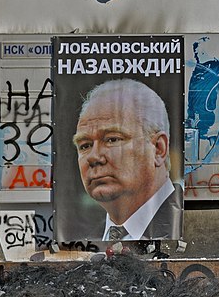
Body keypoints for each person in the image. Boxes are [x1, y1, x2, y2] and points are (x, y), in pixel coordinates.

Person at [72, 79, 181, 241]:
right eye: (85, 145)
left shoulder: (191, 224)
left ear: (158, 149)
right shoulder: (84, 240)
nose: (94, 157)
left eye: (112, 139)